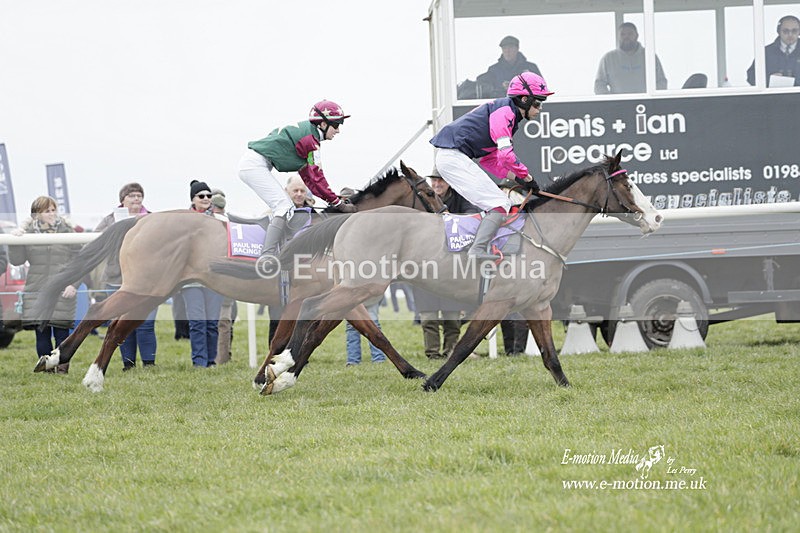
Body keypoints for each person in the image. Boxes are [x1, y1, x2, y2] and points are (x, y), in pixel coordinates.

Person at [430, 71, 549, 261]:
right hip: (452, 157)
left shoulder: (508, 115)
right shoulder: (505, 113)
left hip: (453, 157)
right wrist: (527, 178)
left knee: (500, 202)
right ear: (524, 99)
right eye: (537, 103)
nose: (540, 109)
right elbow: (506, 154)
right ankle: (477, 249)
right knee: (500, 203)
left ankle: (479, 244)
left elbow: (491, 160)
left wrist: (517, 179)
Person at [238, 100, 357, 272]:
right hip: (254, 165)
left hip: (255, 163)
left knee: (285, 206)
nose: (338, 130)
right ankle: (267, 255)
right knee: (284, 207)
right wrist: (338, 204)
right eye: (337, 124)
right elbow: (317, 178)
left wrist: (333, 200)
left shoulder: (308, 136)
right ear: (323, 123)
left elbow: (310, 179)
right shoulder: (311, 141)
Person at [9, 196, 80, 374]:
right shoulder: (29, 233)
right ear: (37, 214)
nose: (52, 214)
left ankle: (62, 369)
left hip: (62, 288)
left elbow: (80, 261)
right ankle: (46, 370)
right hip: (37, 289)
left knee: (62, 333)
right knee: (42, 333)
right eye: (47, 210)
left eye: (53, 210)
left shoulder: (68, 231)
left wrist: (73, 284)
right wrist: (15, 241)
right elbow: (17, 260)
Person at [413, 168, 479, 359]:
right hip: (427, 264)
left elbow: (472, 214)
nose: (436, 184)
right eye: (434, 181)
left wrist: (451, 218)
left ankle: (451, 350)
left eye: (440, 181)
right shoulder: (423, 198)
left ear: (449, 182)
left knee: (452, 316)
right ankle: (432, 354)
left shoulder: (460, 197)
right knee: (428, 316)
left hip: (452, 266)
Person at [95, 182, 156, 371]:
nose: (136, 199)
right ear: (122, 200)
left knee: (146, 324)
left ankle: (149, 364)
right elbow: (97, 240)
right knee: (121, 324)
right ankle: (128, 364)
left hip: (147, 279)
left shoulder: (152, 219)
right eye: (132, 195)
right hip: (116, 278)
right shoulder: (109, 219)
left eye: (139, 195)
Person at [180, 180, 224, 367]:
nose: (206, 199)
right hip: (191, 281)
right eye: (201, 196)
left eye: (208, 195)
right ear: (193, 199)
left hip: (214, 279)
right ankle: (199, 362)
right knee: (198, 323)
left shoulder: (221, 220)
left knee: (212, 323)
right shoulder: (184, 222)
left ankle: (211, 361)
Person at [594, 22, 668, 94]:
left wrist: (654, 101)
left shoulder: (649, 56)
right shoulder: (608, 58)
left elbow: (661, 81)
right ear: (618, 36)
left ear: (637, 36)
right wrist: (610, 102)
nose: (626, 37)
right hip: (618, 105)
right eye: (623, 34)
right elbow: (599, 84)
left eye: (630, 34)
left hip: (645, 104)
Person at [209, 188, 237, 364]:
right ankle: (222, 357)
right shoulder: (230, 222)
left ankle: (219, 358)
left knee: (222, 321)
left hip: (219, 275)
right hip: (226, 275)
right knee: (224, 321)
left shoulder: (216, 222)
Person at [477, 35, 543, 98]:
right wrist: (501, 87)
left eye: (510, 47)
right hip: (502, 106)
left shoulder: (531, 68)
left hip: (525, 106)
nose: (507, 51)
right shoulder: (494, 70)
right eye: (504, 48)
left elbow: (541, 89)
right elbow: (486, 89)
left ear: (517, 48)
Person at [747, 15, 800, 87]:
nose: (790, 34)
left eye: (794, 31)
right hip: (773, 97)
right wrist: (769, 80)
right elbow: (751, 76)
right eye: (785, 31)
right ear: (778, 31)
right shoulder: (766, 52)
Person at [344, 297, 386, 367]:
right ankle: (378, 358)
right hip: (369, 295)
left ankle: (353, 360)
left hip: (353, 295)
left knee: (353, 327)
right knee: (373, 325)